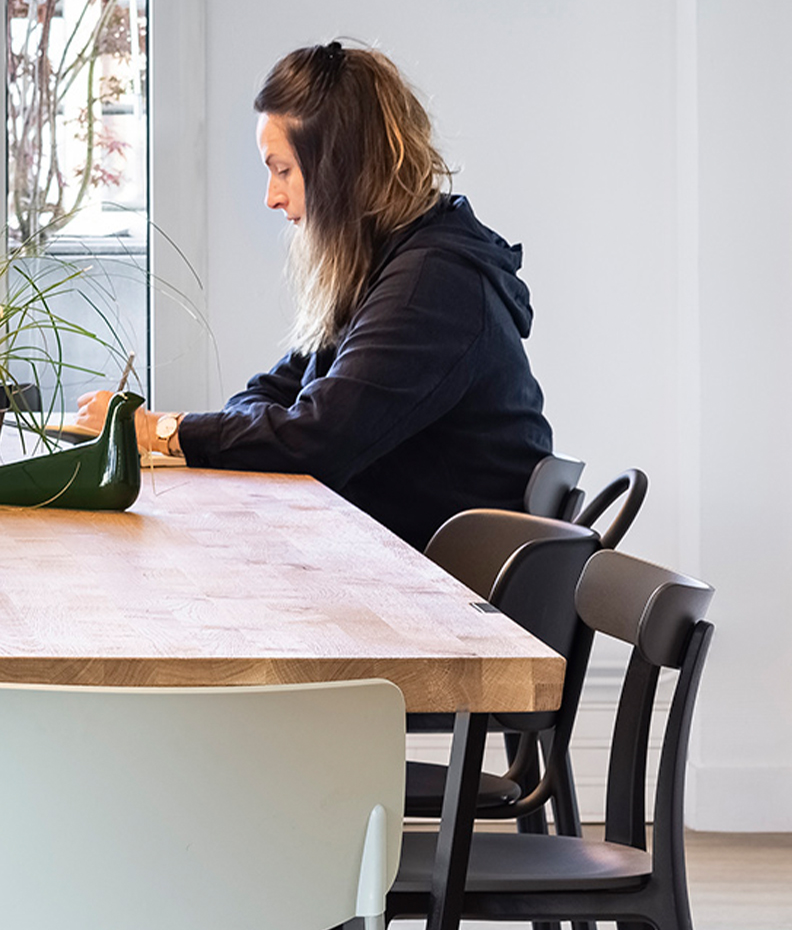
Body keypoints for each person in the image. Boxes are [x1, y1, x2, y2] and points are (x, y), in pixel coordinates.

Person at [77, 42, 551, 550]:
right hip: (395, 564)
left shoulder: (430, 286)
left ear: (338, 168)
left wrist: (157, 429)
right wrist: (237, 429)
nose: (272, 196)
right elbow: (272, 394)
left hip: (445, 592)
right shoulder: (381, 266)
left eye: (283, 170)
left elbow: (313, 440)